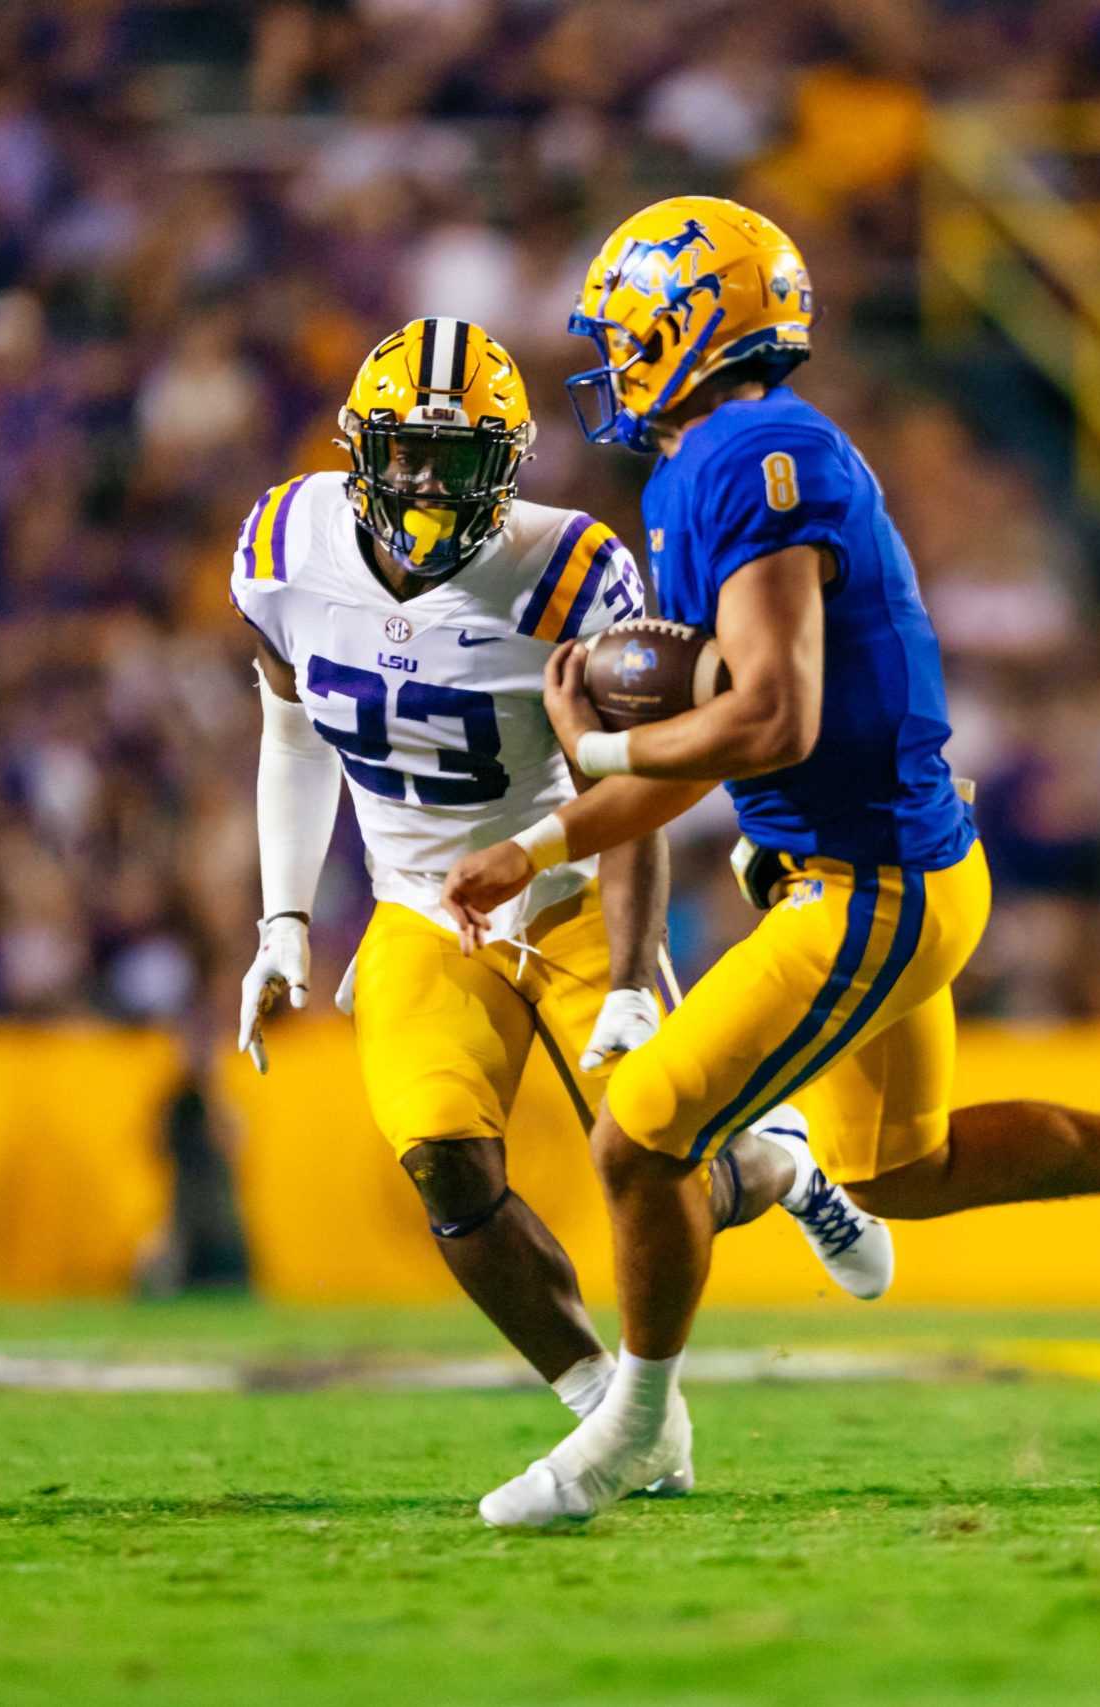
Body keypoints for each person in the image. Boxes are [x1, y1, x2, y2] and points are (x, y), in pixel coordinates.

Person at [440, 197, 1100, 1526]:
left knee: (639, 1136)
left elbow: (771, 716)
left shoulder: (750, 453)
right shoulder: (727, 456)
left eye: (624, 325)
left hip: (868, 886)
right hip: (880, 868)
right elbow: (717, 751)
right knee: (900, 1167)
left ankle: (634, 1426)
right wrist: (540, 839)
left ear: (687, 322)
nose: (606, 350)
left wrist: (594, 757)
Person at [231, 318, 888, 1432]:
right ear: (362, 448)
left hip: (566, 889)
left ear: (510, 465)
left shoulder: (571, 568)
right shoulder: (283, 545)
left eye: (462, 457)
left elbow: (626, 782)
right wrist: (282, 919)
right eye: (408, 452)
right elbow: (292, 729)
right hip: (419, 908)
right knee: (440, 1160)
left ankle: (785, 1167)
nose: (430, 481)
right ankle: (605, 1405)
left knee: (676, 1168)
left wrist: (634, 978)